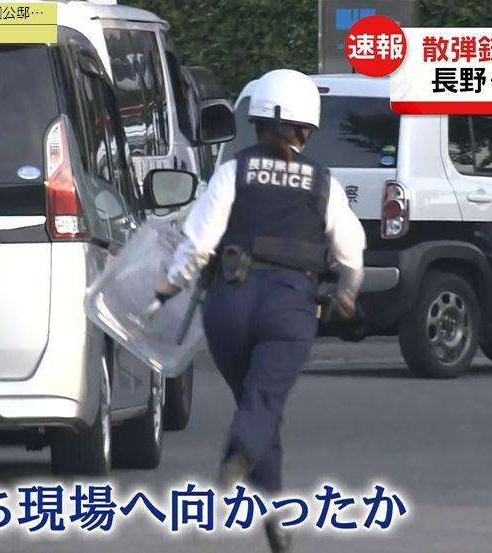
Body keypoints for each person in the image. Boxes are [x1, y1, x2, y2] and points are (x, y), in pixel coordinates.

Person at [154, 69, 365, 552]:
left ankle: (274, 512)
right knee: (264, 402)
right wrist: (348, 293)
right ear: (306, 129)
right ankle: (237, 458)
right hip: (288, 310)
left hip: (227, 305)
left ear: (258, 121)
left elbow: (198, 244)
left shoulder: (233, 172)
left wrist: (168, 286)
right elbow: (351, 254)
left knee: (257, 403)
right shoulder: (323, 184)